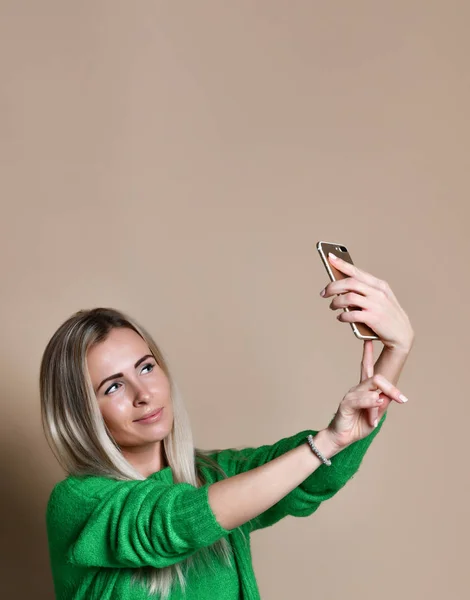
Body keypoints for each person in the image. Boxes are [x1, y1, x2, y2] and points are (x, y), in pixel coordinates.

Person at [41, 253, 414, 600]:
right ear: (80, 413)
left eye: (146, 367)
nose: (143, 393)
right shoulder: (77, 502)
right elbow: (175, 522)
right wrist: (326, 443)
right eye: (114, 386)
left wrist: (396, 350)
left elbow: (313, 475)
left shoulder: (215, 474)